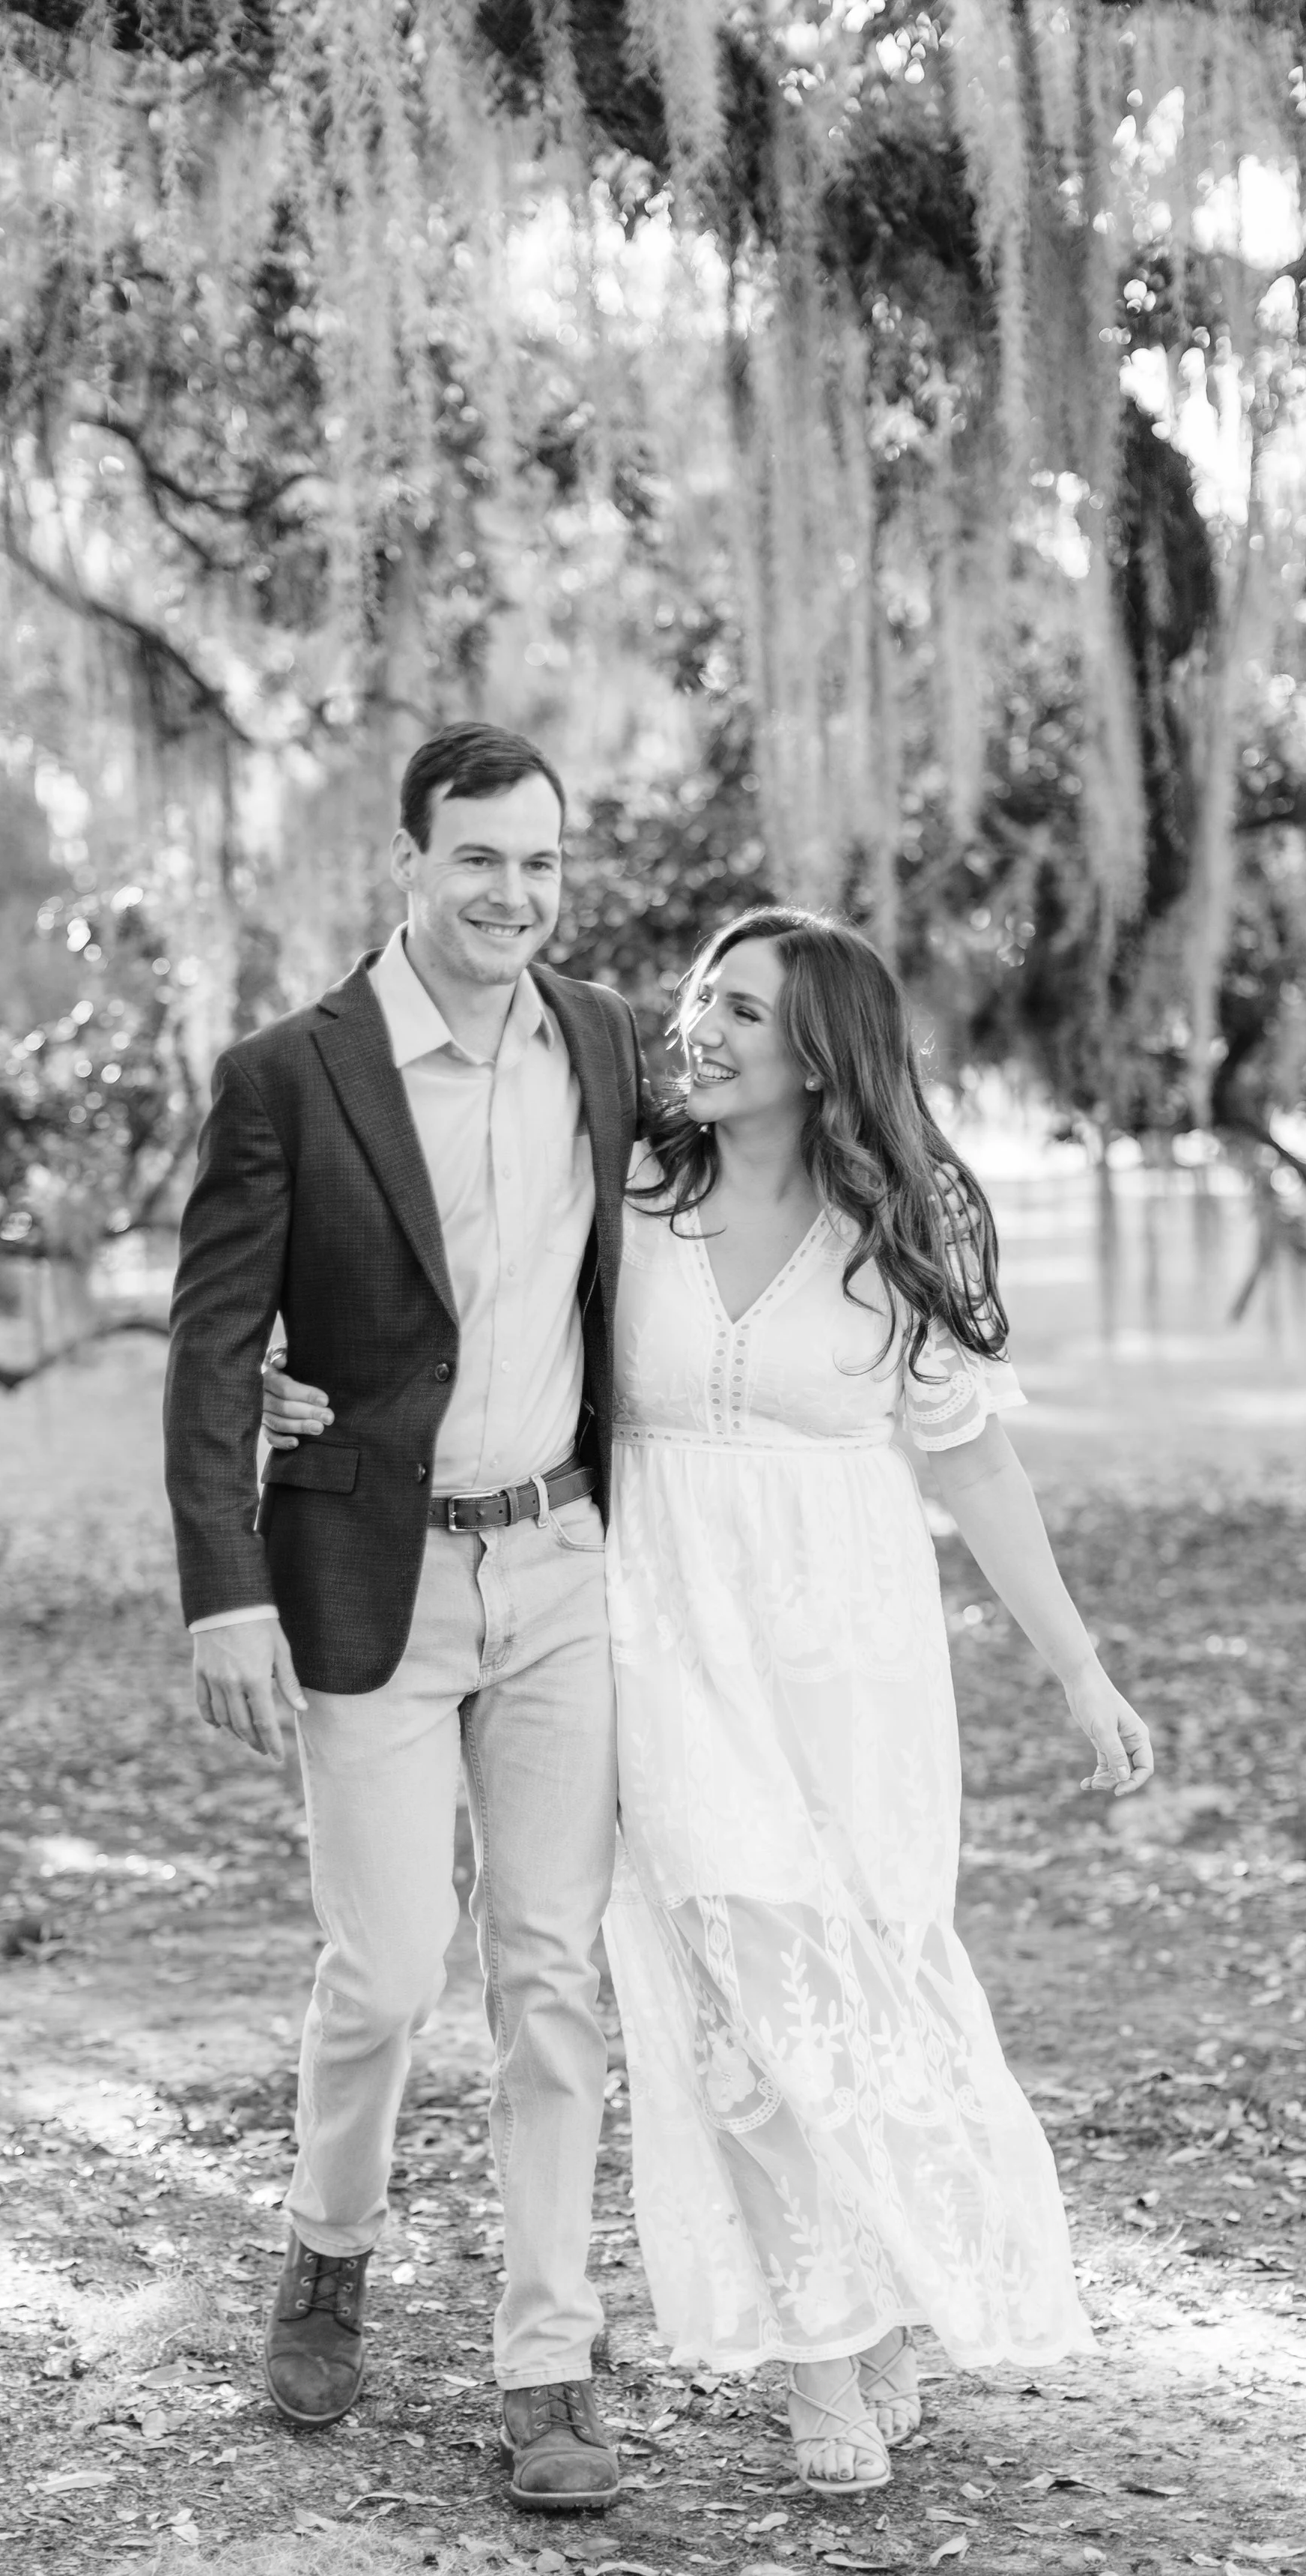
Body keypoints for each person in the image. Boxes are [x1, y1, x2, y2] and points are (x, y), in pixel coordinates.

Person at [267, 906, 1153, 2494]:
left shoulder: (902, 1223)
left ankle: (883, 2280)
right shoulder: (635, 1189)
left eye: (744, 1012)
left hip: (854, 1667)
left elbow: (970, 1456)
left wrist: (1078, 1669)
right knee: (736, 1993)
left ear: (822, 1054)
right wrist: (302, 1365)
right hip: (659, 1638)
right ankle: (820, 2351)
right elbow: (464, 1284)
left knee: (872, 1983)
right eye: (700, 1001)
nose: (702, 1030)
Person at [165, 721, 646, 2515]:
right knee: (381, 1973)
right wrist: (224, 1588)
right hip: (364, 1569)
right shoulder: (288, 1077)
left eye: (537, 862)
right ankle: (326, 2246)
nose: (510, 896)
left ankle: (548, 2363)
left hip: (558, 1565)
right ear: (406, 863)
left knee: (550, 1974)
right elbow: (215, 1341)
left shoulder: (600, 1044)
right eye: (476, 861)